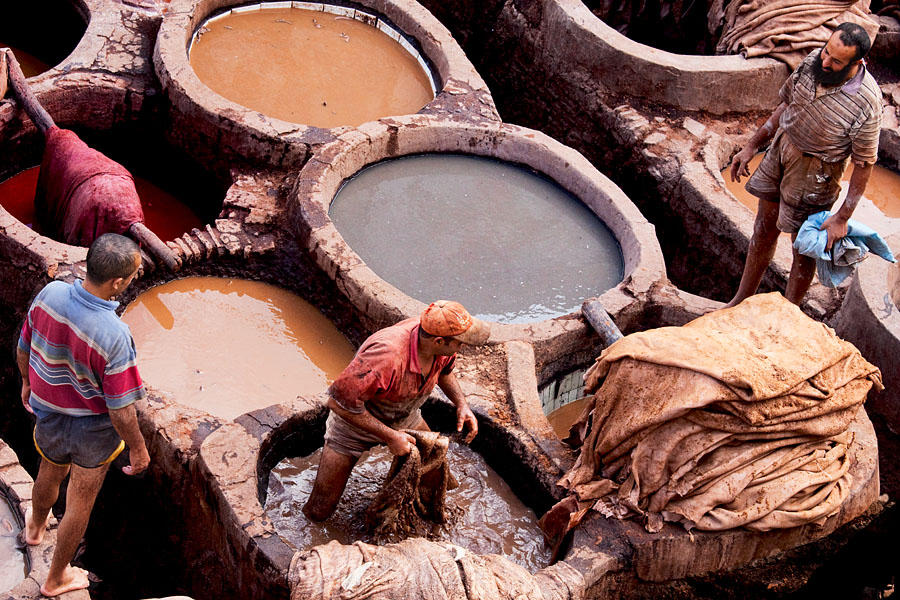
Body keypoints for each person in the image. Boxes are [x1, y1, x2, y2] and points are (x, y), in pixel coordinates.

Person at [15, 233, 151, 597]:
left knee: (49, 468)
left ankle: (34, 529)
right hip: (92, 429)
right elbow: (121, 410)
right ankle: (56, 578)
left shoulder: (51, 295)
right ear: (118, 282)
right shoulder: (115, 335)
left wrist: (28, 382)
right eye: (134, 275)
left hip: (49, 415)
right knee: (80, 500)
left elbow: (24, 344)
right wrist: (138, 449)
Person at [726, 22, 882, 307]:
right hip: (782, 149)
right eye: (826, 52)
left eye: (836, 61)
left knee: (804, 246)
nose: (826, 61)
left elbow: (864, 164)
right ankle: (740, 299)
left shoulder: (867, 102)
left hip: (817, 172)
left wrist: (843, 217)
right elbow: (786, 105)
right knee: (763, 228)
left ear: (858, 63)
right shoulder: (812, 61)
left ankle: (789, 313)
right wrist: (751, 145)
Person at [303, 300, 491, 521]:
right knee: (319, 509)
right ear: (439, 341)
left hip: (404, 415)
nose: (463, 347)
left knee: (438, 474)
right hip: (355, 424)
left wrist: (462, 404)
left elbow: (445, 372)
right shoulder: (386, 355)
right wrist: (391, 436)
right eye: (460, 343)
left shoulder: (441, 347)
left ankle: (428, 518)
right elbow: (337, 403)